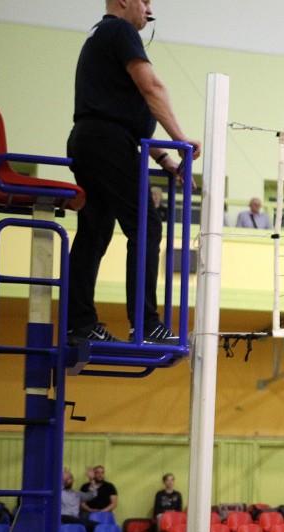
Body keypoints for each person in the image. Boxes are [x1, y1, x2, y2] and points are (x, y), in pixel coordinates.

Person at [66, 0, 202, 345]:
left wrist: (165, 159)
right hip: (106, 142)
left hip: (91, 140)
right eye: (145, 1)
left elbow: (127, 118)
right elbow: (151, 88)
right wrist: (180, 139)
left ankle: (79, 324)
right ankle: (146, 324)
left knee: (95, 232)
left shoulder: (101, 35)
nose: (148, 10)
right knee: (147, 226)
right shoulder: (120, 30)